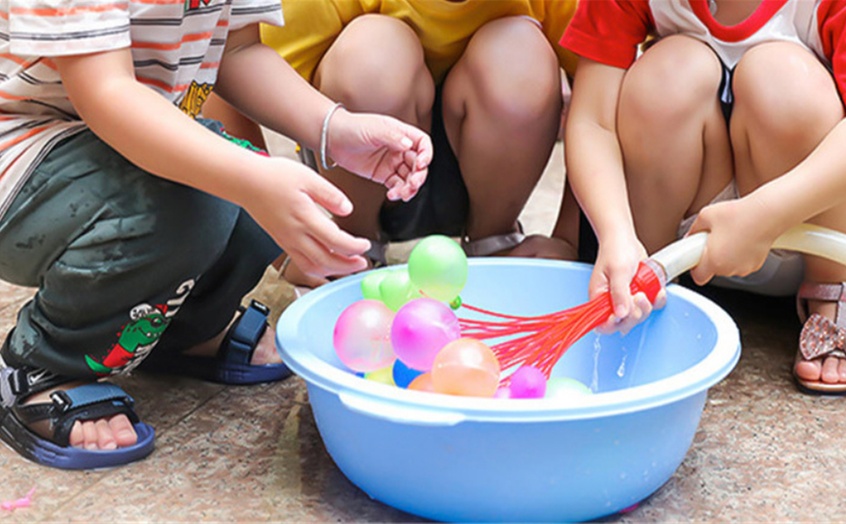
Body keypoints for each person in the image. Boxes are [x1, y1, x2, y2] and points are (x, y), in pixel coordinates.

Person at [0, 0, 432, 470]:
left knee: (242, 188)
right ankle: (42, 365)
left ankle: (182, 329)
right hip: (20, 157)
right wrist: (248, 180)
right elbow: (106, 92)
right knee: (200, 201)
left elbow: (238, 50)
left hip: (112, 145)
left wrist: (333, 127)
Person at [560, 0, 846, 394]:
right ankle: (643, 280)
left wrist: (764, 215)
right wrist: (615, 232)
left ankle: (834, 286)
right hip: (675, 237)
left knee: (782, 75)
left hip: (802, 224)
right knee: (670, 70)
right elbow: (592, 120)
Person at [203, 0, 582, 291]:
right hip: (355, 159)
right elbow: (222, 72)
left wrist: (569, 237)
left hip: (493, 170)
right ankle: (352, 246)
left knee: (518, 49)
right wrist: (278, 246)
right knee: (374, 51)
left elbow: (601, 95)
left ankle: (494, 242)